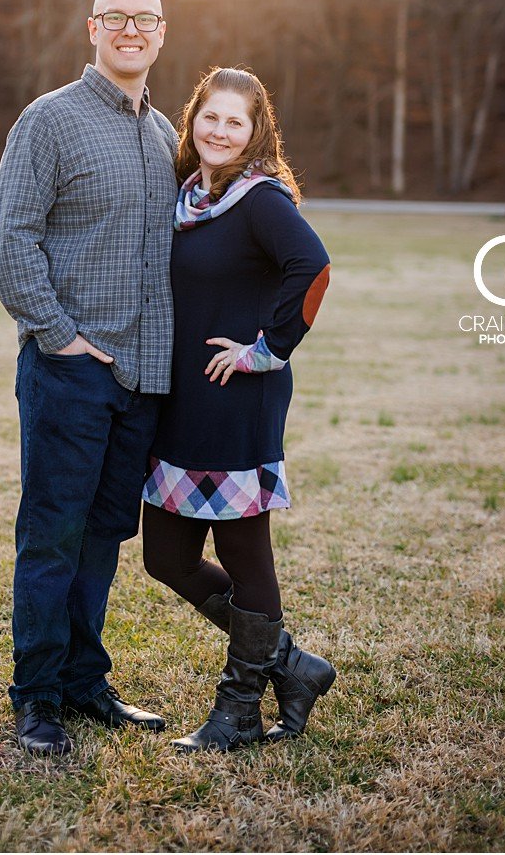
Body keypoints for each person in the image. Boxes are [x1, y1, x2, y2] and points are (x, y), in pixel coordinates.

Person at [0, 0, 177, 756]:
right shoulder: (49, 122)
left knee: (103, 533)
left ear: (162, 34)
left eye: (147, 19)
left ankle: (81, 679)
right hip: (70, 370)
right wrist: (59, 336)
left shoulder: (170, 134)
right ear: (92, 28)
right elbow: (11, 239)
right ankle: (36, 695)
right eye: (117, 17)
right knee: (53, 533)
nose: (131, 30)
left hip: (140, 379)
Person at [140, 66, 334, 753]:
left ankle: (241, 708)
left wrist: (267, 349)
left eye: (235, 121)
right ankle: (292, 664)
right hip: (182, 400)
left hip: (235, 399)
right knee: (164, 554)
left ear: (256, 134)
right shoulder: (191, 194)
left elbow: (312, 266)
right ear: (193, 120)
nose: (219, 130)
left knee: (243, 552)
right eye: (210, 117)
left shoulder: (258, 199)